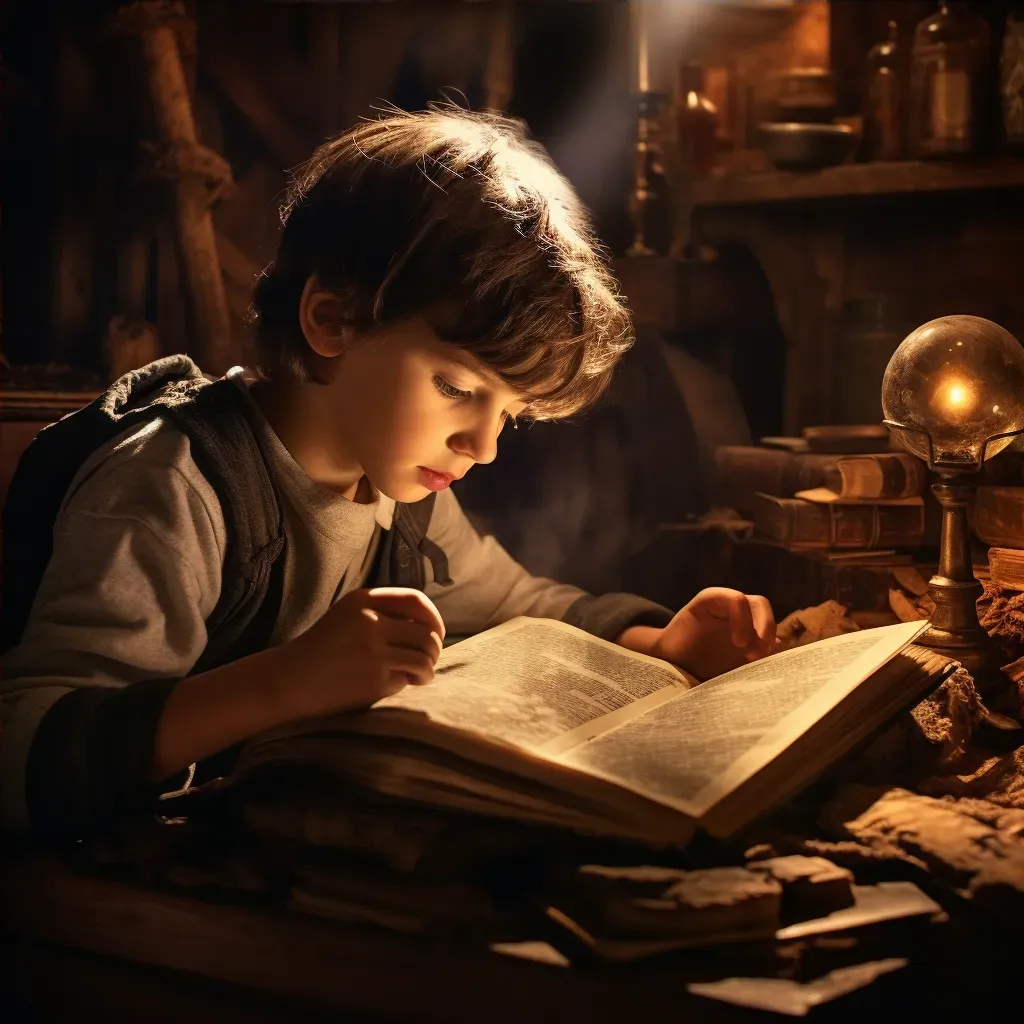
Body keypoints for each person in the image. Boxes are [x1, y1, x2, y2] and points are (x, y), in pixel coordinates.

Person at [0, 108, 775, 839]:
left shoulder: (401, 491)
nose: (484, 446)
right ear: (332, 320)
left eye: (506, 412)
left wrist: (661, 643)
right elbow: (21, 749)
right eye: (456, 389)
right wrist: (281, 686)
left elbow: (515, 608)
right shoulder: (174, 484)